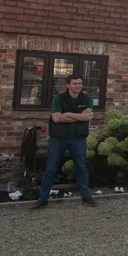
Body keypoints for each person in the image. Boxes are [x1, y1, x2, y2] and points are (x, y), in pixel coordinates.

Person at [32, 73, 96, 209]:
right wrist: (79, 116)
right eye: (75, 83)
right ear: (68, 85)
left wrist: (66, 115)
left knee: (81, 168)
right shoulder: (59, 98)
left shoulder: (86, 98)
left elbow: (88, 117)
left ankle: (86, 196)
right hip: (58, 139)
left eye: (80, 83)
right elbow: (56, 118)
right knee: (51, 168)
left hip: (78, 139)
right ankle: (42, 199)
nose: (78, 86)